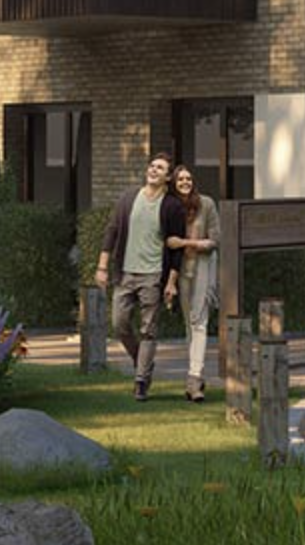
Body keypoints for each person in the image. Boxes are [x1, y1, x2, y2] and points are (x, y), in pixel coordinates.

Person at [92, 153, 186, 401]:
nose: (154, 170)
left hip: (153, 276)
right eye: (152, 166)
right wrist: (102, 266)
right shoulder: (128, 198)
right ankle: (140, 361)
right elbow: (112, 231)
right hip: (125, 273)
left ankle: (141, 380)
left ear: (167, 177)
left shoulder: (172, 206)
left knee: (148, 331)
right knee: (119, 324)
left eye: (160, 168)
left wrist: (171, 282)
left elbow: (177, 249)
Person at [167, 161, 224, 403]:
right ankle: (195, 376)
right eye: (180, 180)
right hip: (180, 270)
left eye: (188, 179)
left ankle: (193, 377)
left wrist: (186, 243)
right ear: (174, 184)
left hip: (203, 267)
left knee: (200, 321)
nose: (185, 183)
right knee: (189, 324)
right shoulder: (169, 207)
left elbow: (215, 240)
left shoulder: (207, 204)